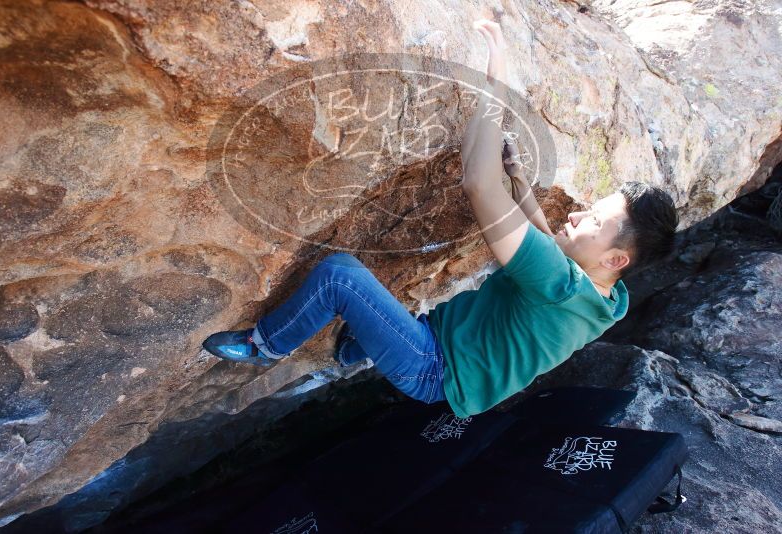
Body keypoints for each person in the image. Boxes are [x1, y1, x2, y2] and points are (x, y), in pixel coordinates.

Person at [202, 19, 679, 418]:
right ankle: (355, 348)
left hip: (434, 368)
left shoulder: (559, 286)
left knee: (339, 278)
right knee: (376, 308)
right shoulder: (609, 297)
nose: (575, 215)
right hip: (446, 349)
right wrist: (518, 184)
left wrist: (496, 82)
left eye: (593, 221)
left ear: (616, 257)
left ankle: (265, 344)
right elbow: (548, 245)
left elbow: (477, 185)